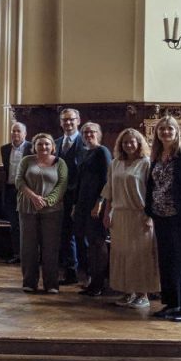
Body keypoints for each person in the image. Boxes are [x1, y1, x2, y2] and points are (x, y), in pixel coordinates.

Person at [146, 116, 181, 322]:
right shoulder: (157, 155)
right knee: (167, 260)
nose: (166, 132)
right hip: (160, 215)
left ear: (177, 131)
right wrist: (149, 209)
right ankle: (171, 303)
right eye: (162, 129)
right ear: (157, 133)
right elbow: (152, 185)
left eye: (170, 128)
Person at [101, 128, 159, 309]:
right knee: (121, 254)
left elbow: (153, 193)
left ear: (139, 143)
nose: (128, 145)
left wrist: (150, 217)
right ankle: (127, 291)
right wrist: (107, 213)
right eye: (125, 142)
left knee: (140, 255)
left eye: (132, 141)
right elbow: (109, 191)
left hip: (140, 215)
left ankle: (143, 294)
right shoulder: (115, 163)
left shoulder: (146, 163)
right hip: (119, 215)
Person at [16, 133, 68, 294]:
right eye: (39, 144)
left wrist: (47, 201)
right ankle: (29, 282)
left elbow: (62, 185)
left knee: (50, 248)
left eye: (46, 144)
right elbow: (19, 181)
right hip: (27, 208)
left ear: (53, 147)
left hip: (52, 211)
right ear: (34, 147)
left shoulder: (60, 163)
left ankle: (51, 284)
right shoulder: (27, 161)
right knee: (28, 248)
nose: (43, 147)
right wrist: (33, 197)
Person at [73, 122, 112, 296]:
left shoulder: (102, 151)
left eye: (92, 132)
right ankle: (92, 282)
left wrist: (100, 202)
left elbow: (106, 180)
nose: (88, 135)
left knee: (98, 243)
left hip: (96, 204)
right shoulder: (84, 152)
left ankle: (99, 284)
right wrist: (75, 204)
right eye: (85, 132)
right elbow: (80, 181)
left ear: (99, 134)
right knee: (89, 244)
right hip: (83, 203)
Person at [55, 108, 87, 284]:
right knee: (65, 236)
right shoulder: (56, 143)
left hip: (80, 198)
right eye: (64, 120)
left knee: (82, 237)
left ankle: (88, 275)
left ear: (78, 120)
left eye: (71, 119)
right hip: (60, 197)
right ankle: (70, 273)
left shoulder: (86, 142)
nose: (68, 123)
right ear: (60, 122)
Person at [0, 122, 31, 265]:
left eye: (19, 131)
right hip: (10, 190)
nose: (15, 134)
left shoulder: (32, 147)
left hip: (27, 191)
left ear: (25, 133)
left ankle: (29, 255)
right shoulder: (5, 149)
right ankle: (17, 253)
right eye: (13, 131)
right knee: (14, 224)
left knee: (28, 224)